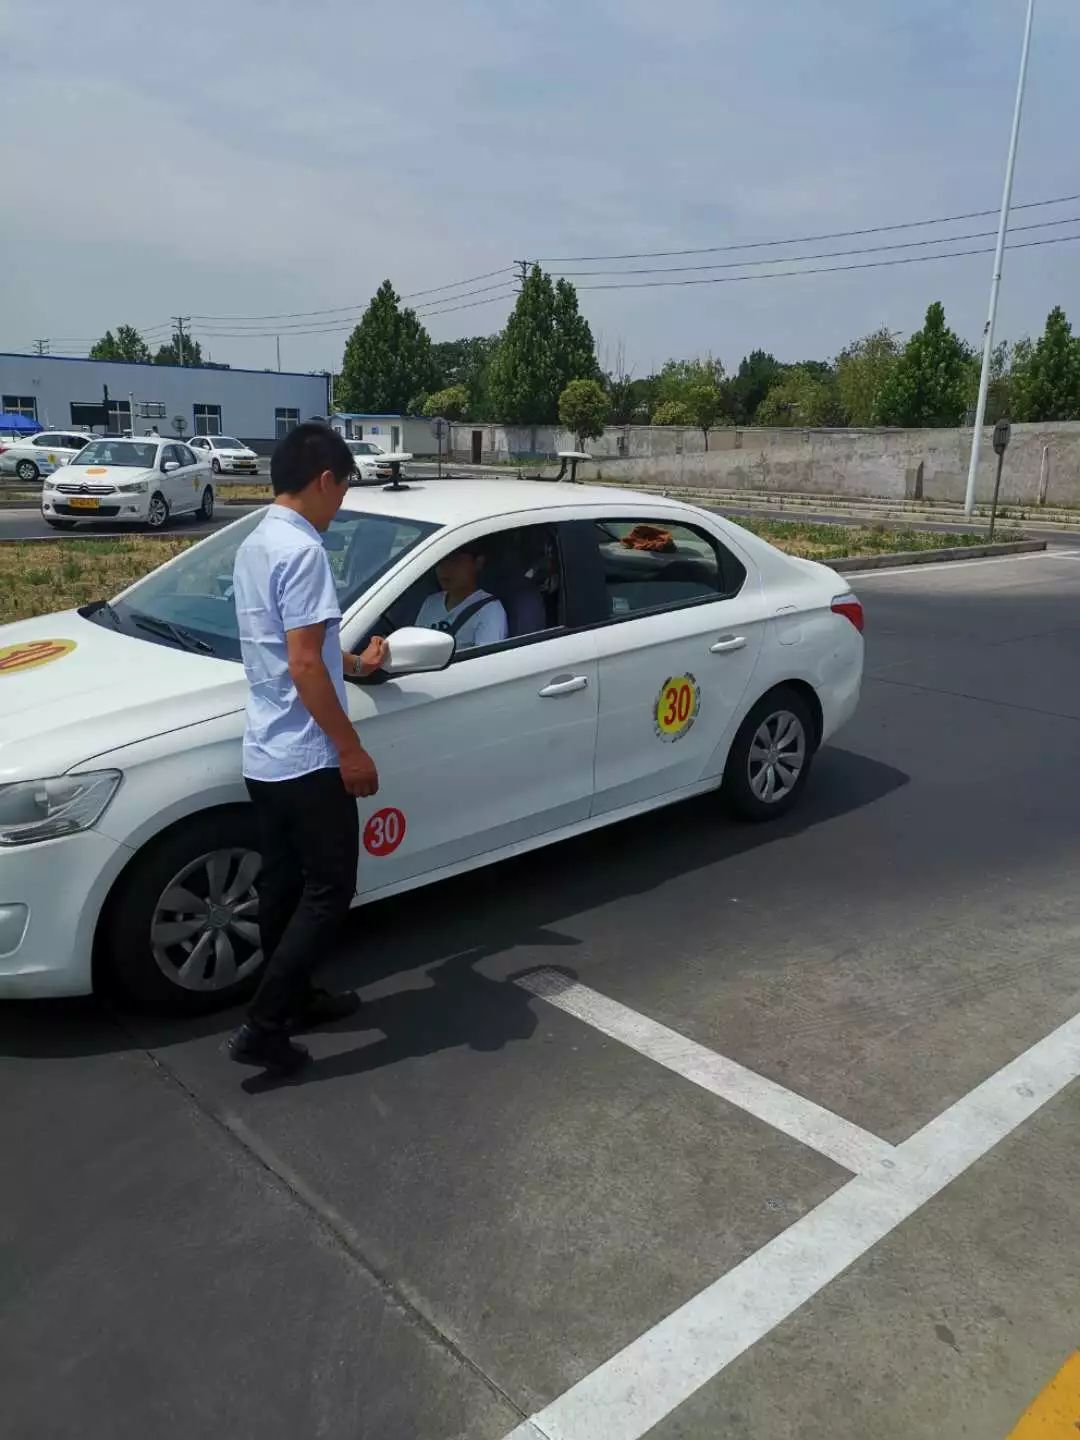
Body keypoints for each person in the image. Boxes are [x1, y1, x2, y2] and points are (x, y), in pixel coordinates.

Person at [228, 422, 387, 1076]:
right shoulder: (305, 552)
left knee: (282, 888)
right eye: (343, 490)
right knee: (330, 890)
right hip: (308, 760)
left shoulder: (256, 542)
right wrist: (351, 751)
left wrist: (354, 661)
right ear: (325, 479)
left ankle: (296, 1001)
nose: (341, 505)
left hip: (264, 754)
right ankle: (264, 1027)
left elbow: (301, 650)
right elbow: (303, 665)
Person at [414, 542, 509, 649]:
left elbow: (485, 662)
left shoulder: (490, 610)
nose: (444, 568)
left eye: (454, 560)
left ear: (478, 563)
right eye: (440, 560)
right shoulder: (431, 601)